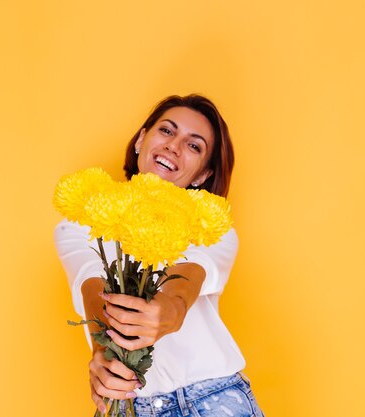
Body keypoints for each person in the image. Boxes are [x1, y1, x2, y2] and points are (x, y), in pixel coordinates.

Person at [54, 94, 265, 416]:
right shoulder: (80, 222)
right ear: (142, 139)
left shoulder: (211, 224)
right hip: (128, 406)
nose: (173, 146)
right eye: (167, 131)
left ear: (201, 175)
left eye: (194, 146)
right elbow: (90, 281)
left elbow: (185, 283)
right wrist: (106, 356)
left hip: (214, 401)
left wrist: (167, 308)